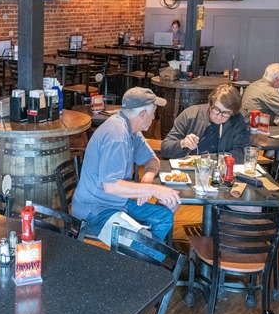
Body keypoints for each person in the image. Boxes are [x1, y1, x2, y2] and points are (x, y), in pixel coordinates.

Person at [71, 87, 181, 257]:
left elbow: (153, 161)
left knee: (164, 216)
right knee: (149, 245)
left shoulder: (131, 129)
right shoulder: (117, 135)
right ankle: (141, 263)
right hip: (94, 213)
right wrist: (154, 190)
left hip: (115, 204)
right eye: (154, 112)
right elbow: (111, 186)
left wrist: (147, 179)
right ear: (143, 114)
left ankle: (139, 260)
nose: (154, 117)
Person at [161, 84, 250, 162]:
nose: (219, 116)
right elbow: (165, 149)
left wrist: (206, 158)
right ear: (210, 104)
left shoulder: (239, 120)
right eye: (216, 109)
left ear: (233, 112)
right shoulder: (190, 115)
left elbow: (242, 154)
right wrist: (182, 144)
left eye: (226, 113)